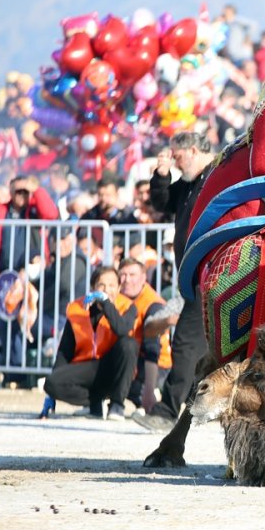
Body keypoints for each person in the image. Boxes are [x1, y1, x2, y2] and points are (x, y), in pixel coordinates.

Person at [133, 132, 214, 431]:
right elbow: (162, 202)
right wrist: (162, 174)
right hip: (194, 273)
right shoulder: (190, 182)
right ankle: (192, 408)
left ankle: (167, 411)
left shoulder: (216, 175)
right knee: (197, 347)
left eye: (177, 158)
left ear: (193, 150)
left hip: (209, 272)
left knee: (185, 343)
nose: (177, 164)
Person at [43, 266, 138, 420]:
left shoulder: (128, 307)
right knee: (51, 382)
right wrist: (51, 394)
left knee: (129, 343)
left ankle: (117, 405)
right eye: (101, 285)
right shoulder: (78, 308)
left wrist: (106, 303)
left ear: (119, 288)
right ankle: (94, 404)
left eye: (112, 285)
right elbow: (64, 352)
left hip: (114, 369)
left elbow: (121, 330)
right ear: (93, 288)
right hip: (88, 369)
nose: (106, 290)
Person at [117, 258, 172, 414]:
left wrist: (149, 388)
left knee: (119, 374)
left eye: (132, 275)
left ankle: (150, 394)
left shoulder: (153, 304)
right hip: (136, 358)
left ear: (143, 278)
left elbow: (152, 349)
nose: (127, 280)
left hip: (157, 365)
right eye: (123, 275)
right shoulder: (120, 298)